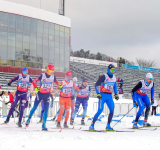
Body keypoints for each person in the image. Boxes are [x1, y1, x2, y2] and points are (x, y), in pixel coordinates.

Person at [25, 64, 59, 131]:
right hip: (40, 94)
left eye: (53, 71)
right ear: (47, 70)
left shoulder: (53, 76)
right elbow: (34, 81)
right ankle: (29, 119)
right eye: (50, 71)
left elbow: (58, 83)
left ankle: (44, 124)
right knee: (35, 107)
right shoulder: (42, 75)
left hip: (47, 95)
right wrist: (36, 87)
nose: (51, 72)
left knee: (46, 110)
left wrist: (60, 86)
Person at [89, 64, 119, 131]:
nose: (113, 71)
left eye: (114, 70)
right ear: (108, 69)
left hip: (109, 96)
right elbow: (96, 85)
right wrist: (98, 93)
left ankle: (108, 125)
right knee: (100, 111)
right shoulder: (104, 76)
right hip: (102, 96)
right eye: (112, 70)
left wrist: (116, 94)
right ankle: (92, 124)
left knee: (112, 110)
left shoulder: (114, 77)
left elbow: (115, 86)